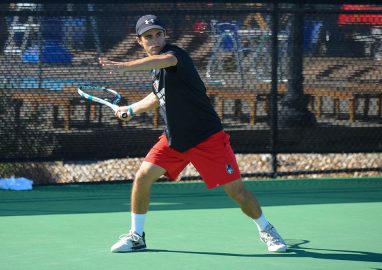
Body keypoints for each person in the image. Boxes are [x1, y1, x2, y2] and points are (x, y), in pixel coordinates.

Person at [100, 15, 287, 253]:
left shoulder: (175, 56)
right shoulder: (157, 72)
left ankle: (267, 230)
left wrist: (125, 66)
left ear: (165, 35)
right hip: (175, 139)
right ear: (140, 41)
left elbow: (164, 60)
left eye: (158, 34)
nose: (155, 40)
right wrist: (131, 109)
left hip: (207, 138)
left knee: (237, 192)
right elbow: (158, 97)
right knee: (143, 177)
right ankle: (137, 236)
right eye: (148, 37)